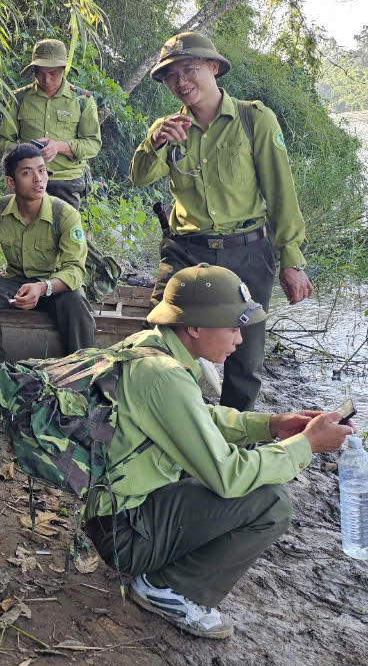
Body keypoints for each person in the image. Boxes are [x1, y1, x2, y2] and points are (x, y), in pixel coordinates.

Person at [83, 264, 353, 639]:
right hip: (124, 536)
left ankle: (166, 568)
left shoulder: (149, 346)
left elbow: (196, 416)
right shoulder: (164, 375)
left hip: (113, 513)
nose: (240, 339)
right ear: (195, 326)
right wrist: (306, 445)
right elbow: (229, 475)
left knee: (229, 462)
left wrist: (270, 425)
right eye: (233, 327)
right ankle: (166, 589)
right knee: (271, 504)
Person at [130, 31, 312, 412]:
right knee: (160, 338)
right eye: (171, 75)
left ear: (213, 67)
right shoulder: (167, 129)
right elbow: (140, 176)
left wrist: (291, 260)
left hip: (247, 252)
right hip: (186, 252)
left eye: (189, 70)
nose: (181, 82)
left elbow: (281, 193)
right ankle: (171, 423)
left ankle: (232, 435)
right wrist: (155, 143)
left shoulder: (254, 119)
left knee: (245, 359)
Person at [0, 143, 95, 374]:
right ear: (11, 182)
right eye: (27, 173)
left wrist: (43, 287)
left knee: (77, 302)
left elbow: (75, 269)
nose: (38, 179)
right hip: (16, 283)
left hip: (55, 286)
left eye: (42, 170)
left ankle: (81, 374)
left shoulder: (64, 214)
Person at [0, 38, 102, 209]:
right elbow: (4, 140)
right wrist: (24, 151)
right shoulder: (19, 98)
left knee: (64, 226)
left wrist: (59, 147)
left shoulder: (82, 100)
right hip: (25, 179)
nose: (46, 80)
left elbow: (93, 144)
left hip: (65, 181)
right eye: (40, 73)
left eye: (53, 73)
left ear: (63, 69)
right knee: (10, 223)